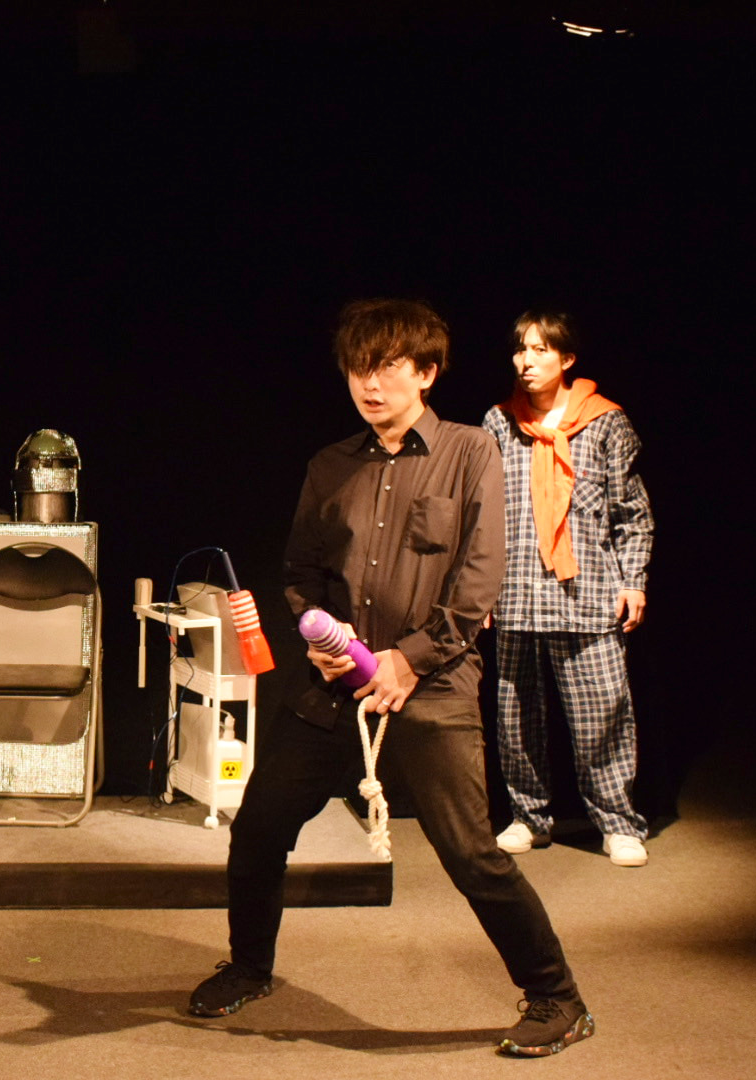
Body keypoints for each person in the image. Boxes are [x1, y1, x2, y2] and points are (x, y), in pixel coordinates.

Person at [188, 298, 593, 1057]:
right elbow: (302, 572)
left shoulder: (471, 451)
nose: (369, 384)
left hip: (432, 686)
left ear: (427, 372)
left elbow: (479, 578)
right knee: (260, 827)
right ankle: (249, 966)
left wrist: (412, 657)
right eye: (357, 369)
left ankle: (558, 998)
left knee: (471, 855)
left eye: (387, 367)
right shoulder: (330, 465)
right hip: (335, 686)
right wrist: (317, 637)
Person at [482, 310, 655, 868]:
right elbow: (481, 514)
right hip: (515, 591)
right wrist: (477, 588)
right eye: (520, 350)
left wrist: (633, 581)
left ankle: (618, 823)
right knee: (516, 717)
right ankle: (528, 817)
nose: (526, 361)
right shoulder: (498, 422)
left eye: (540, 350)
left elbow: (632, 511)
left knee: (602, 712)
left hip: (586, 592)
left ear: (567, 358)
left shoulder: (605, 423)